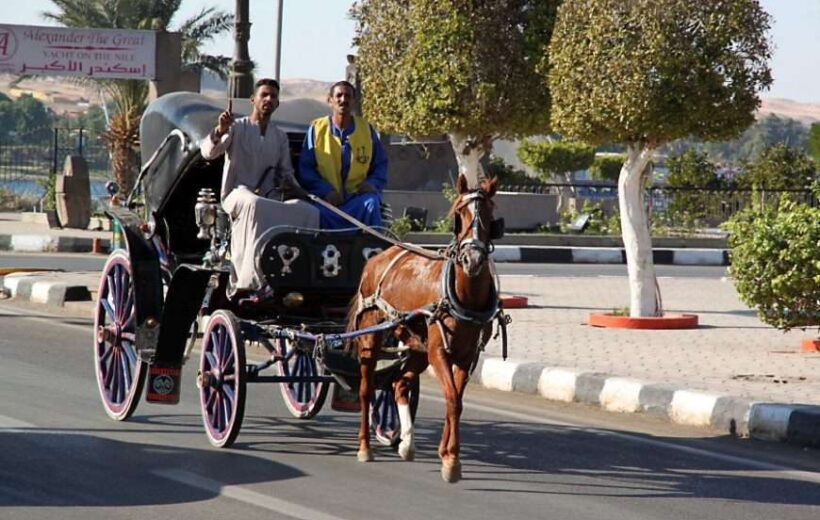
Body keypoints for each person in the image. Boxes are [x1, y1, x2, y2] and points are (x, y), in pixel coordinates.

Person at [200, 78, 319, 295]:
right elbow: (208, 152)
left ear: (278, 104)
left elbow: (287, 174)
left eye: (273, 96)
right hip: (237, 196)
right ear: (253, 100)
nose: (269, 99)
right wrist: (220, 129)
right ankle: (249, 282)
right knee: (254, 203)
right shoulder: (236, 128)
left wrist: (300, 192)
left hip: (270, 198)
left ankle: (298, 279)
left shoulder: (279, 136)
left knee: (309, 211)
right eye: (264, 95)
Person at [297, 80, 388, 229]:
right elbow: (306, 169)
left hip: (357, 198)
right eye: (339, 96)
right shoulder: (317, 129)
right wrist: (325, 191)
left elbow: (380, 165)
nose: (343, 100)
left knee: (371, 204)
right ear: (330, 100)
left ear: (354, 101)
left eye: (347, 96)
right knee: (312, 212)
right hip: (326, 201)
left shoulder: (366, 130)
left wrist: (371, 184)